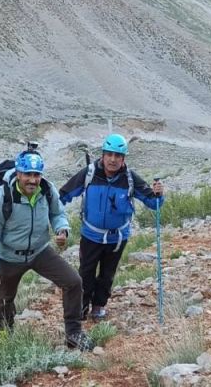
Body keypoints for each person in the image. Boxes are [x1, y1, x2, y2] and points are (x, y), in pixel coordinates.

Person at [0, 150, 92, 350]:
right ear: (18, 174)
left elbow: (58, 214)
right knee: (6, 300)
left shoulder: (47, 190)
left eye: (37, 174)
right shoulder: (1, 197)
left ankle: (74, 333)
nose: (33, 180)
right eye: (28, 174)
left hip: (40, 251)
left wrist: (62, 229)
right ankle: (4, 336)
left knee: (73, 282)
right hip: (10, 256)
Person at [59, 133, 165, 321]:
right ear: (103, 155)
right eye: (109, 154)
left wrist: (158, 195)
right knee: (86, 272)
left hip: (117, 238)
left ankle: (98, 306)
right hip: (91, 235)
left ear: (123, 158)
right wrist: (55, 218)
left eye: (118, 156)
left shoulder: (130, 178)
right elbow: (64, 195)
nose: (113, 159)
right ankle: (82, 307)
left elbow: (153, 203)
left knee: (107, 274)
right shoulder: (89, 173)